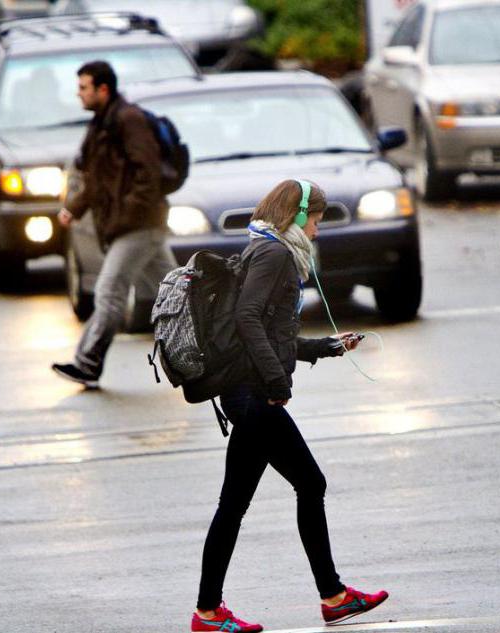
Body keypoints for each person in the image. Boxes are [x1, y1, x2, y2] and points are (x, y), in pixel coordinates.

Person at [191, 180, 389, 632]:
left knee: (234, 504)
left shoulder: (265, 248)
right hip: (253, 394)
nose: (317, 230)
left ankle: (208, 612)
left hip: (246, 391)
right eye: (315, 219)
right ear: (297, 215)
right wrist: (276, 380)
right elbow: (246, 318)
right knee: (310, 483)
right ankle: (333, 596)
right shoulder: (276, 254)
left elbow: (271, 332)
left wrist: (327, 347)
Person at [52, 61, 176, 388]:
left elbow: (148, 175)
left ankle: (87, 363)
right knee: (178, 294)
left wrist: (128, 216)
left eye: (83, 87)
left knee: (108, 293)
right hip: (133, 225)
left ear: (102, 90)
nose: (78, 94)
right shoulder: (101, 124)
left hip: (137, 226)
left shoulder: (128, 121)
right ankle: (213, 350)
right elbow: (96, 180)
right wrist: (74, 208)